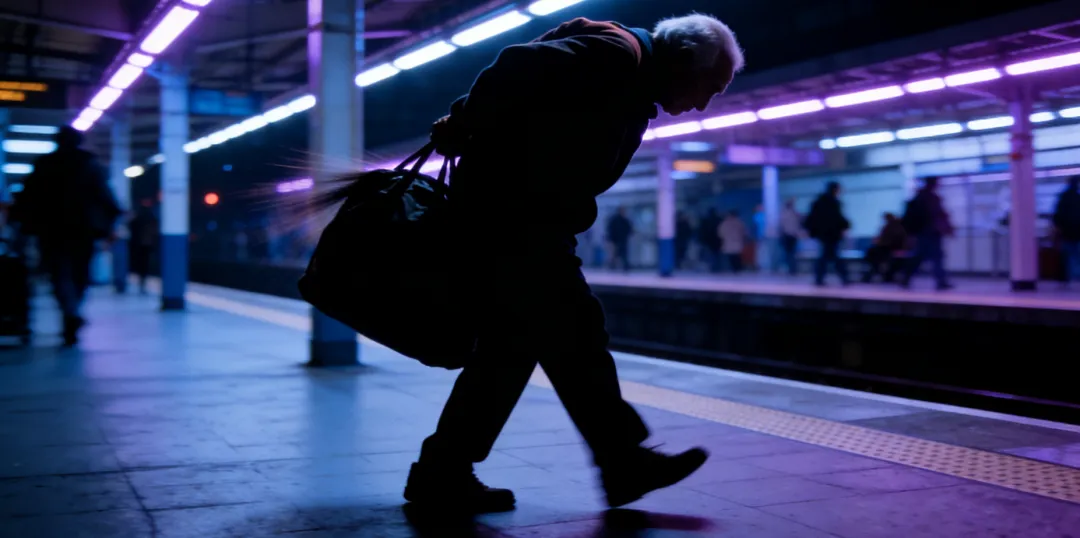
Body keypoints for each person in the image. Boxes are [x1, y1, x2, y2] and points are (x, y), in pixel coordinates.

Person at [412, 14, 744, 513]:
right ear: (682, 60)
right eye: (708, 87)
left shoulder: (628, 73)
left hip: (523, 219)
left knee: (511, 349)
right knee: (575, 334)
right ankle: (621, 461)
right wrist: (464, 122)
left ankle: (443, 471)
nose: (702, 103)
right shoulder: (614, 56)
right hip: (516, 218)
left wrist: (467, 122)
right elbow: (515, 64)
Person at [9, 126, 121, 345]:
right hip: (84, 230)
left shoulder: (44, 165)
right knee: (81, 274)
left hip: (50, 229)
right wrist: (110, 222)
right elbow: (106, 197)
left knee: (58, 274)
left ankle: (68, 313)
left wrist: (20, 224)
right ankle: (73, 311)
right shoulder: (91, 165)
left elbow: (27, 196)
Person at [900, 176, 954, 290]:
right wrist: (946, 228)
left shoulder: (922, 197)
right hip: (928, 231)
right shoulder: (929, 198)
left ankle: (907, 278)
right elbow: (938, 216)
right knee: (928, 256)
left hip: (927, 231)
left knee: (926, 256)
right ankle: (940, 281)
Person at [803, 181, 851, 286]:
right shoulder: (832, 203)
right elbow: (837, 218)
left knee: (827, 255)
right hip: (830, 234)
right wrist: (845, 225)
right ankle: (843, 277)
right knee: (830, 256)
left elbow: (811, 219)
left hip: (824, 234)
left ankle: (822, 278)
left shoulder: (819, 202)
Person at [862, 212, 907, 283]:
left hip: (888, 249)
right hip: (888, 249)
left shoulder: (892, 227)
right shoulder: (894, 226)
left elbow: (888, 240)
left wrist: (880, 242)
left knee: (873, 257)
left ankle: (874, 275)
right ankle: (880, 274)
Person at [1052, 175, 1080, 285]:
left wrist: (1058, 227)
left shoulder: (1063, 196)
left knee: (1066, 255)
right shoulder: (1077, 197)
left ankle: (1066, 277)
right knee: (1075, 255)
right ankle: (1075, 276)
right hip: (1076, 232)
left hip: (1066, 232)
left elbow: (1057, 215)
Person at [128, 199, 159, 294]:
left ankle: (141, 282)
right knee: (144, 265)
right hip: (147, 244)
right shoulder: (151, 217)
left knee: (140, 264)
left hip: (138, 244)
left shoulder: (137, 217)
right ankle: (142, 282)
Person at [606, 206, 633, 272]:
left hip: (622, 240)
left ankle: (625, 266)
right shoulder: (614, 220)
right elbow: (610, 229)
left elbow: (629, 229)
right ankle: (613, 266)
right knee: (614, 254)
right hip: (615, 240)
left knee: (623, 253)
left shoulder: (625, 220)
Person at [778, 199, 802, 275]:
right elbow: (799, 224)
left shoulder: (783, 214)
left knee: (788, 253)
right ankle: (792, 269)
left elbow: (781, 226)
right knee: (792, 253)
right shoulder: (796, 214)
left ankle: (790, 268)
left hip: (787, 236)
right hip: (792, 236)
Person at [698, 208, 722, 272]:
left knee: (709, 254)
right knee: (716, 254)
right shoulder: (719, 220)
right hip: (717, 240)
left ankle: (710, 267)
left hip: (707, 240)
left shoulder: (705, 220)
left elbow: (702, 231)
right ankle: (716, 267)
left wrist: (702, 240)